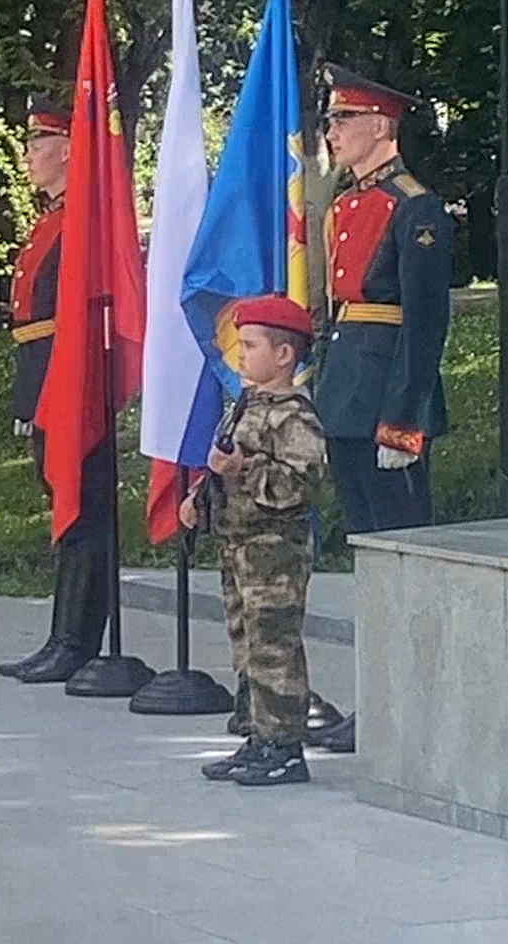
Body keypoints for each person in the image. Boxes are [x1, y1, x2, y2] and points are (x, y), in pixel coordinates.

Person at [307, 64, 456, 754]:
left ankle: (414, 705)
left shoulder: (415, 207)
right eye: (331, 120)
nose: (331, 132)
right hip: (347, 392)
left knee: (402, 557)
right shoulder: (347, 202)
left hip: (387, 400)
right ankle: (381, 703)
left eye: (342, 120)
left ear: (380, 127)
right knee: (372, 557)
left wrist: (407, 417)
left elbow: (424, 326)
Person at [181, 296, 328, 786]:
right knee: (246, 647)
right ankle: (257, 736)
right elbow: (225, 459)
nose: (240, 354)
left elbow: (299, 485)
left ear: (284, 355)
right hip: (239, 546)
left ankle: (285, 746)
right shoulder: (247, 405)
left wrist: (245, 470)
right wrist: (201, 496)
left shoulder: (294, 417)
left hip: (275, 552)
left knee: (274, 649)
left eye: (250, 345)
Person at [0, 94, 114, 684]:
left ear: (67, 150)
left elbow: (77, 320)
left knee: (84, 512)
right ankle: (62, 635)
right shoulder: (51, 221)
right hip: (46, 377)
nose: (27, 156)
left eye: (37, 144)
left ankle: (80, 640)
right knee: (64, 513)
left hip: (74, 385)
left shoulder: (83, 223)